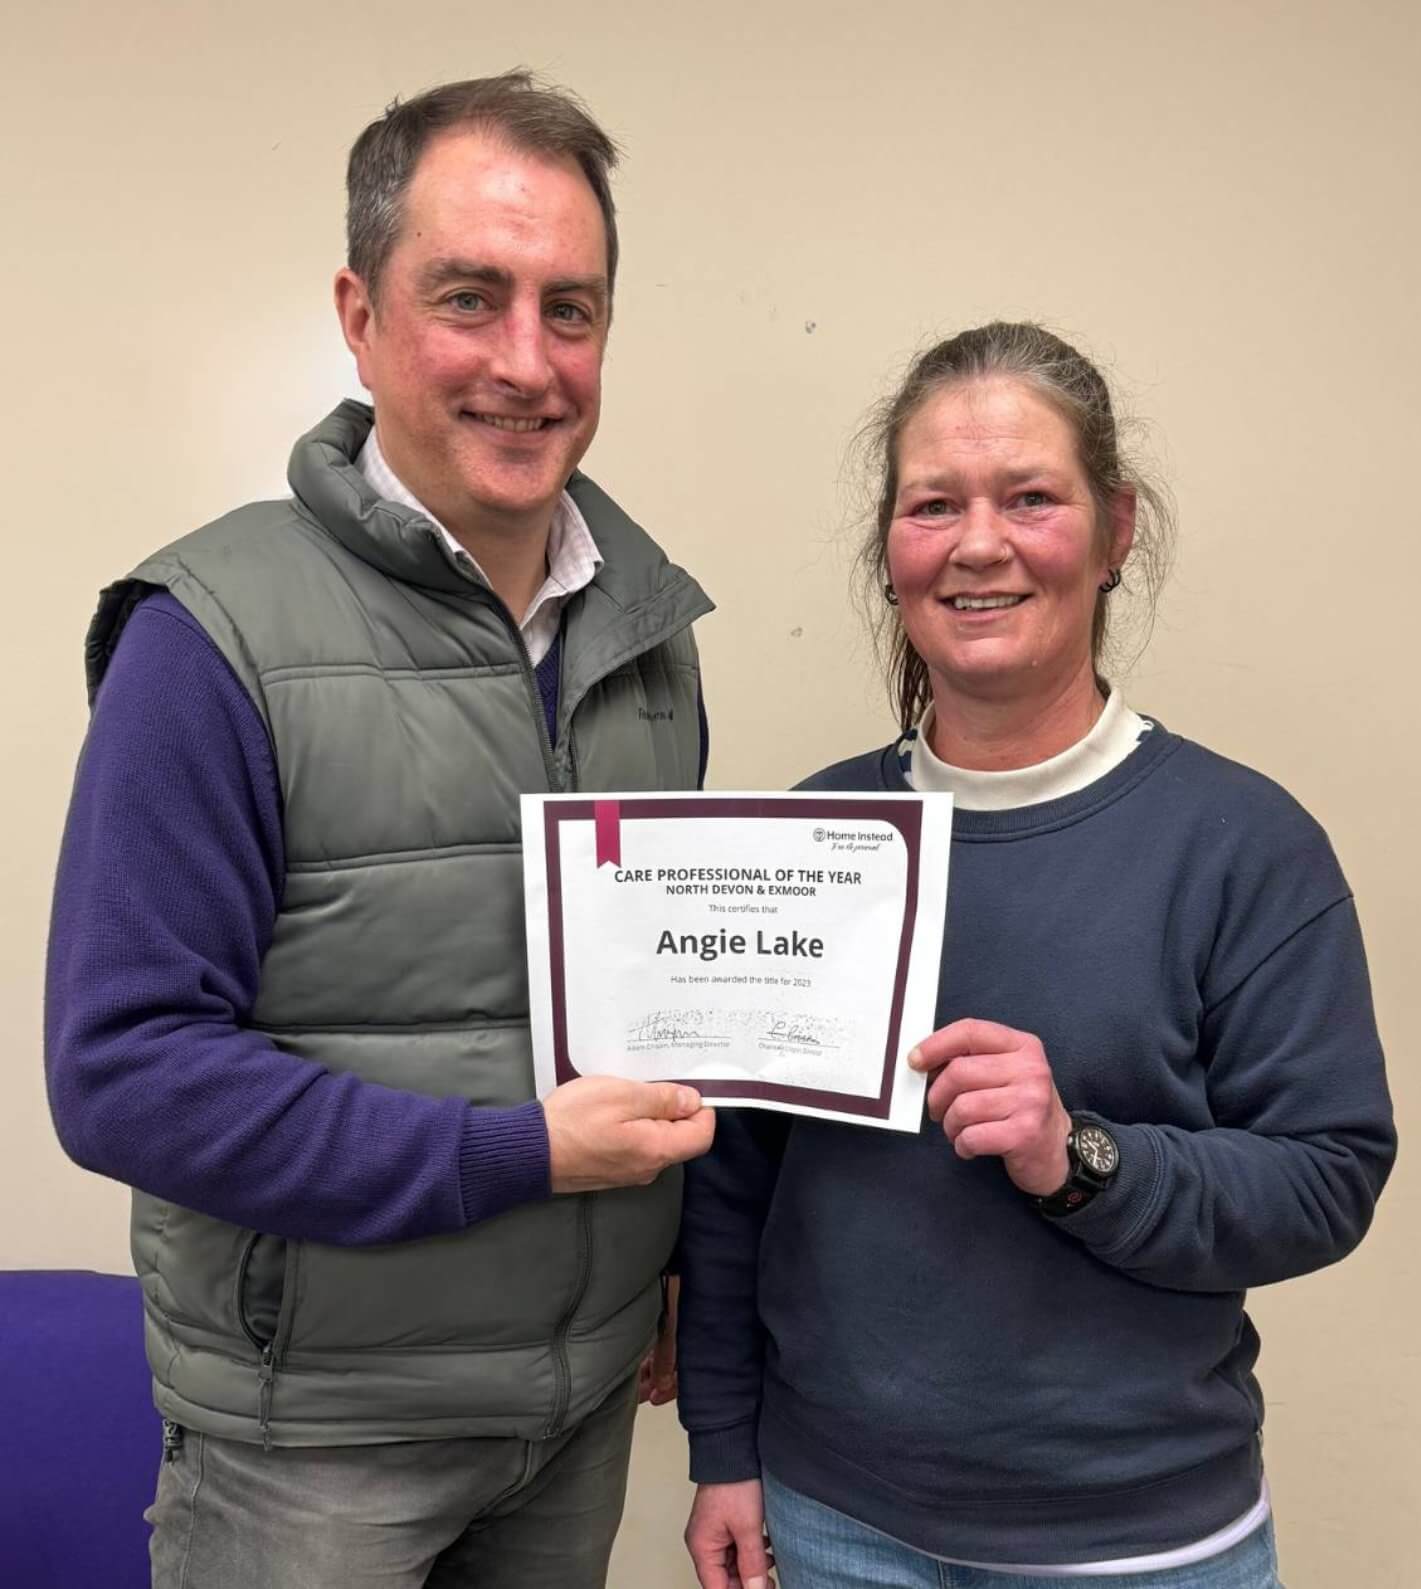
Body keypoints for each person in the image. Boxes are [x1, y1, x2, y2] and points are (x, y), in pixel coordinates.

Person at [45, 71, 716, 1589]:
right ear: (359, 315)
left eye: (570, 309)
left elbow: (663, 1006)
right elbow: (123, 1074)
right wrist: (519, 1152)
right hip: (312, 1447)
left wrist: (672, 1254)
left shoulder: (649, 634)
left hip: (576, 1412)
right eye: (469, 297)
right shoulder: (208, 637)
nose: (526, 361)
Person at [677, 321, 1395, 1589]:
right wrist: (721, 1444)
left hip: (1146, 1542)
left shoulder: (1242, 844)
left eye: (1029, 498)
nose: (979, 543)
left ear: (1115, 531)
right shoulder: (807, 840)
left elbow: (1327, 1176)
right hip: (835, 1523)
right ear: (890, 551)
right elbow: (733, 1186)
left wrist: (1082, 1156)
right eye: (933, 505)